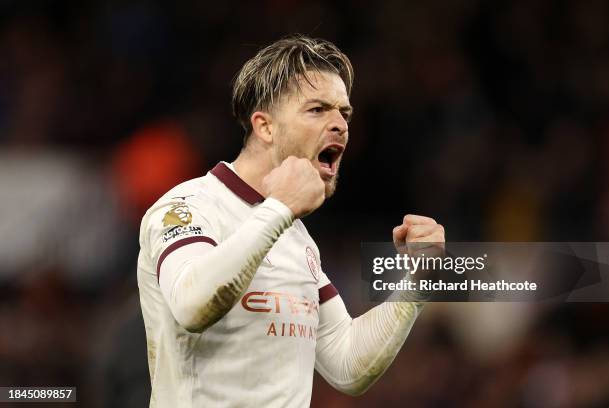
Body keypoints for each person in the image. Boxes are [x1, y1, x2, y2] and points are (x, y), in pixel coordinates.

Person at [137, 34, 445, 407]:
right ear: (265, 127)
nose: (340, 125)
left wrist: (416, 282)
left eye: (344, 113)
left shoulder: (295, 237)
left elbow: (347, 364)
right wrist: (278, 209)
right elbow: (192, 305)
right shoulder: (188, 207)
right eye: (317, 110)